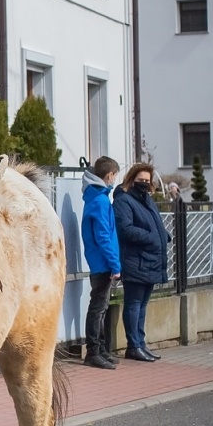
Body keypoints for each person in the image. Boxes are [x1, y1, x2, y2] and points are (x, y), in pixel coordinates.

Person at [113, 162, 170, 362]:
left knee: (142, 305)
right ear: (132, 179)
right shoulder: (124, 201)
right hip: (135, 261)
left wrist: (164, 236)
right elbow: (126, 229)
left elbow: (156, 225)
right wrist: (153, 237)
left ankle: (140, 343)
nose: (144, 184)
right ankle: (133, 345)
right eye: (141, 181)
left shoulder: (146, 200)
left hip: (149, 260)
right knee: (134, 304)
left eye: (147, 181)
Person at [80, 157, 121, 369]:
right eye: (115, 175)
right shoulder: (100, 200)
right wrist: (115, 265)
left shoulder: (96, 198)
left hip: (100, 262)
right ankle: (94, 351)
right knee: (98, 307)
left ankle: (101, 349)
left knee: (101, 306)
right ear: (110, 176)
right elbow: (104, 236)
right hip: (102, 263)